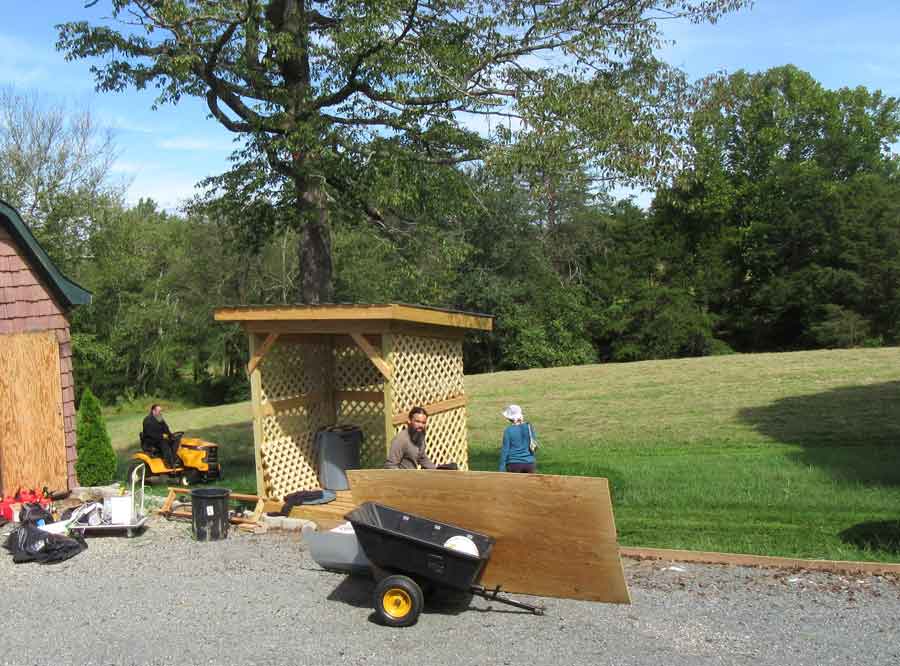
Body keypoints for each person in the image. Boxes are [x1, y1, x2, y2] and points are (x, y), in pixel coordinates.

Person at [499, 404, 537, 473]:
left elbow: (505, 450)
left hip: (513, 464)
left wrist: (502, 466)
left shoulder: (508, 430)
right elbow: (534, 446)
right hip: (529, 464)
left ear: (509, 418)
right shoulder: (529, 427)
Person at [141, 404, 180, 469]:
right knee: (164, 443)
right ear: (153, 411)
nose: (160, 413)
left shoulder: (159, 418)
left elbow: (165, 428)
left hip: (159, 438)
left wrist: (171, 435)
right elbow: (150, 433)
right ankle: (169, 464)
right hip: (151, 440)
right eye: (159, 411)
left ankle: (173, 458)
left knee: (176, 440)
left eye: (160, 411)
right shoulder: (147, 420)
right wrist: (162, 437)